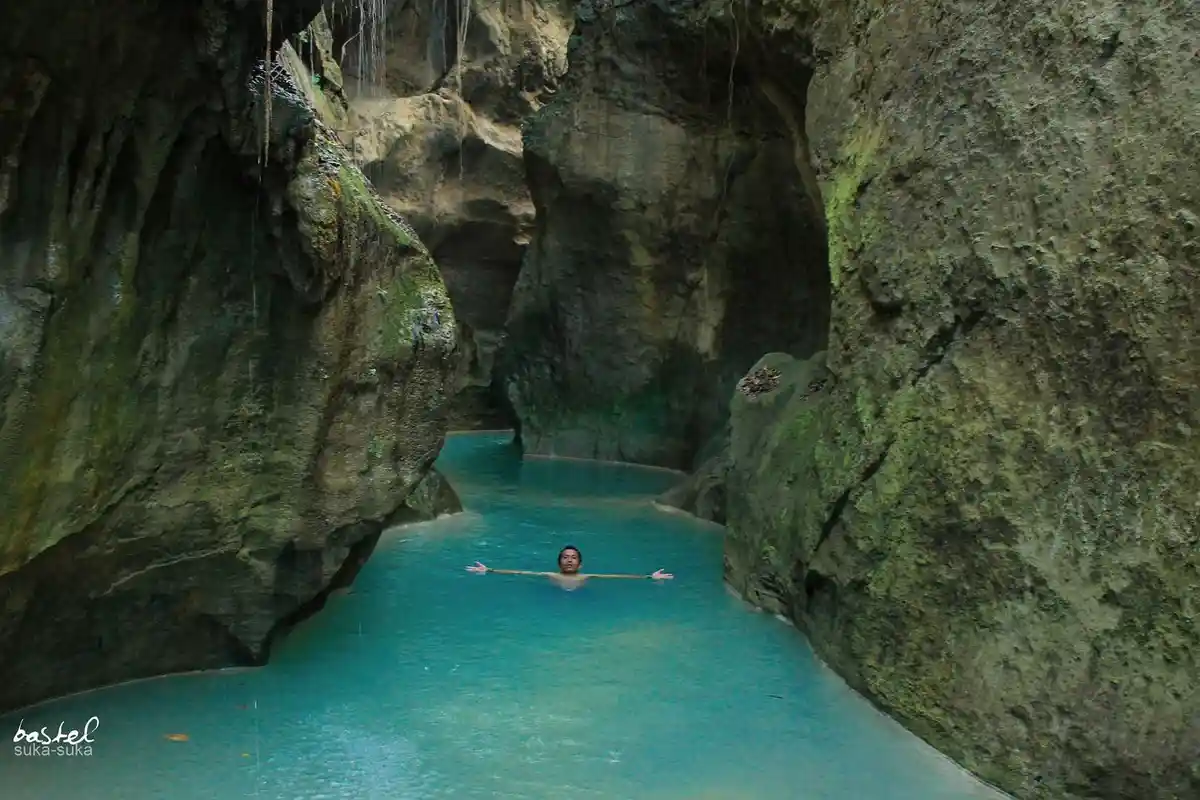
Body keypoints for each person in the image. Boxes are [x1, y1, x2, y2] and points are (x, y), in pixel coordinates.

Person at [465, 545, 674, 590]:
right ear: (559, 563)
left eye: (573, 558)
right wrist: (490, 570)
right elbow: (520, 572)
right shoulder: (548, 574)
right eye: (565, 557)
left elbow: (616, 576)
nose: (569, 560)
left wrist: (648, 577)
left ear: (580, 564)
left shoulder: (588, 576)